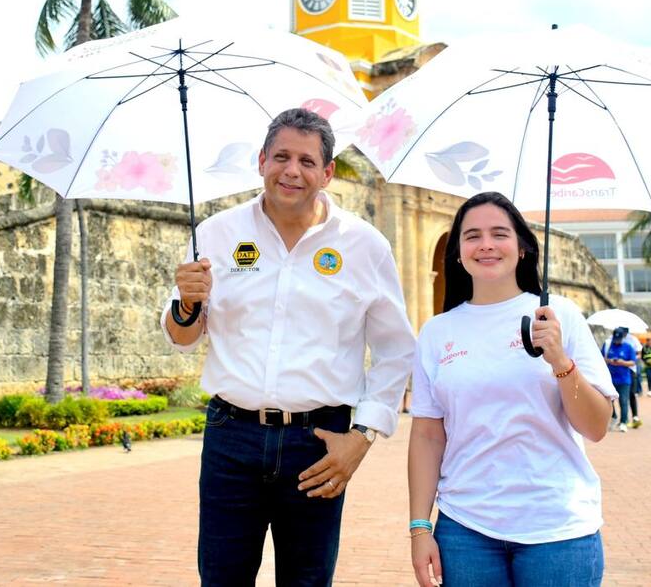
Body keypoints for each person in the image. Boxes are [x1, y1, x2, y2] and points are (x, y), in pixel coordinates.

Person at [162, 107, 415, 586]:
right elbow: (181, 336)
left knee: (307, 581)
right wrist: (187, 304)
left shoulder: (364, 245)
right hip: (231, 437)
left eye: (306, 160)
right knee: (220, 580)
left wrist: (361, 437)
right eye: (281, 156)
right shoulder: (217, 234)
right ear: (261, 161)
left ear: (327, 172)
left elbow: (396, 349)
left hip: (318, 445)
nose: (291, 171)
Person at [407, 192, 616, 587]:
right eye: (472, 236)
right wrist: (420, 527)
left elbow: (597, 426)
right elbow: (427, 435)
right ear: (457, 252)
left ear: (522, 248)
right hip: (465, 527)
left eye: (499, 233)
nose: (485, 244)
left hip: (557, 529)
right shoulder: (437, 332)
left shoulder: (561, 316)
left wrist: (559, 360)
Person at [602, 329, 643, 428]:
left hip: (624, 379)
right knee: (609, 400)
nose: (617, 341)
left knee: (623, 400)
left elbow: (633, 362)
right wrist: (610, 361)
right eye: (615, 339)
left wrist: (622, 362)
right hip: (610, 378)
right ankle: (614, 416)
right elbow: (601, 358)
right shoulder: (608, 345)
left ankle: (623, 421)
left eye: (619, 339)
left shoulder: (628, 347)